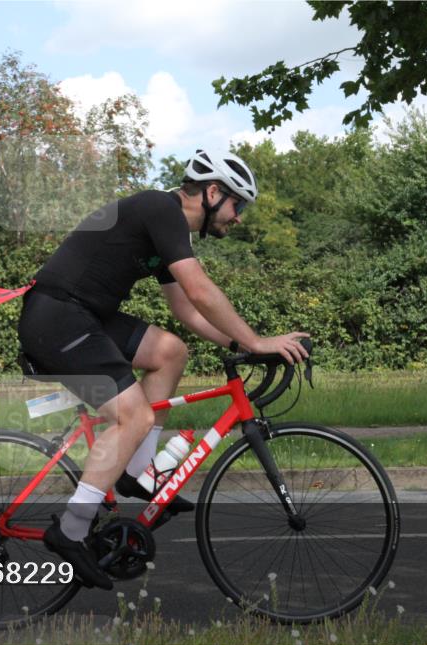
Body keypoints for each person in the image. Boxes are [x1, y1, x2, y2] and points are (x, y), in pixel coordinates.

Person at [16, 148, 310, 589]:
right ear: (213, 192)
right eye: (238, 205)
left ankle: (137, 471)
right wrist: (256, 340)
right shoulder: (161, 208)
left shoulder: (167, 225)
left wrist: (240, 346)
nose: (238, 217)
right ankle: (72, 530)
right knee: (133, 416)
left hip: (83, 315)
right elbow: (200, 290)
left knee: (170, 352)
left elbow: (186, 310)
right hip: (58, 317)